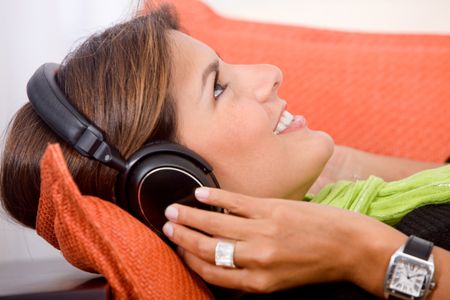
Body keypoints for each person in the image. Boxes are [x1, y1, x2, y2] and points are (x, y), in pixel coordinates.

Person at [0, 5, 449, 299]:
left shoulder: (353, 212)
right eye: (217, 88)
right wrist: (364, 253)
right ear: (174, 183)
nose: (271, 73)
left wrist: (337, 169)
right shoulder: (340, 263)